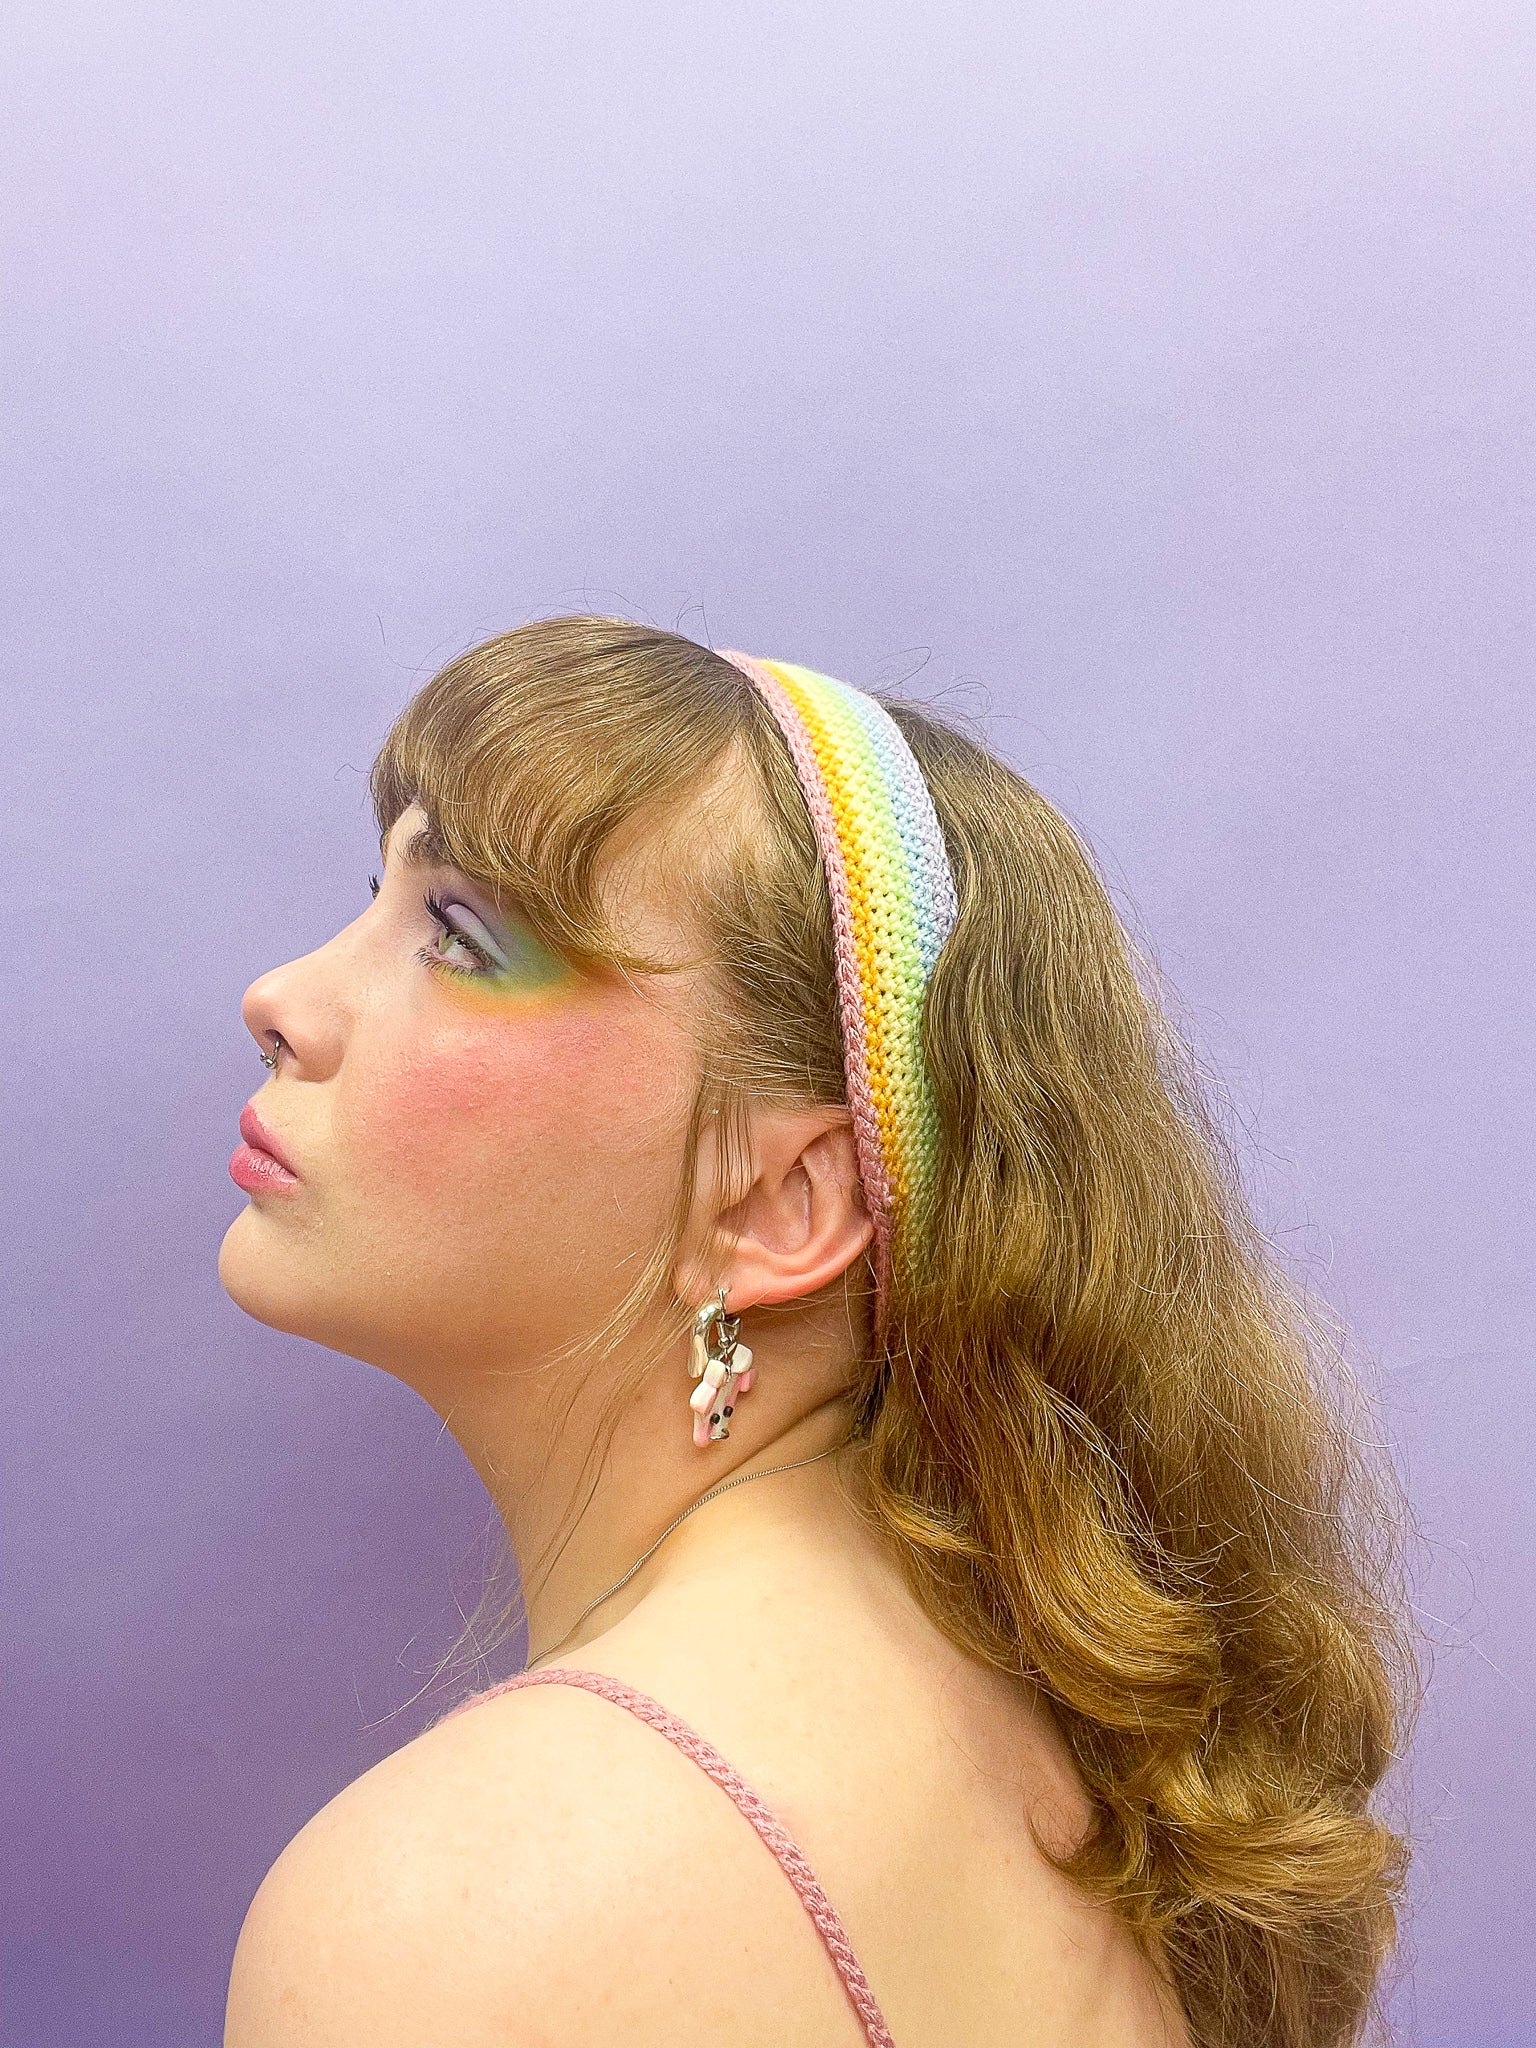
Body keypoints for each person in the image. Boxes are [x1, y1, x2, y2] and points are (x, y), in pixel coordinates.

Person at [218, 617, 1412, 2048]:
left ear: (783, 1203)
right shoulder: (1061, 1772)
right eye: (377, 892)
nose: (282, 1001)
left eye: (463, 939)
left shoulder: (458, 1915)